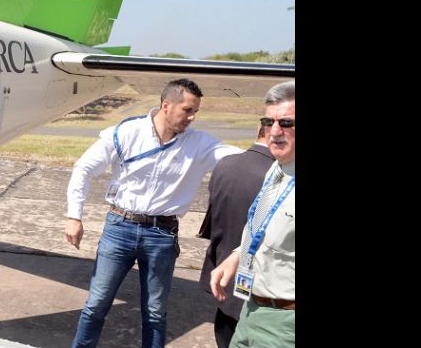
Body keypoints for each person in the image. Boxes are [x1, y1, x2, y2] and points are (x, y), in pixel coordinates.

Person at [65, 78, 243, 348]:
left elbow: (239, 160)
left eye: (196, 111)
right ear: (166, 105)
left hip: (162, 235)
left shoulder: (200, 144)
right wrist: (74, 216)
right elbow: (83, 169)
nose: (192, 117)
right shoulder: (127, 132)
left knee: (155, 312)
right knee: (96, 303)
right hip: (119, 228)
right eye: (187, 110)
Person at [209, 80, 295, 347]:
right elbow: (261, 227)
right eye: (268, 122)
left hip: (284, 323)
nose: (274, 131)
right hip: (250, 308)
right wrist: (236, 256)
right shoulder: (278, 168)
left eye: (287, 123)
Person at [198, 124, 274, 348]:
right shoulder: (279, 175)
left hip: (224, 274)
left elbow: (213, 219)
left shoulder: (226, 164)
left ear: (258, 129)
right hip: (260, 285)